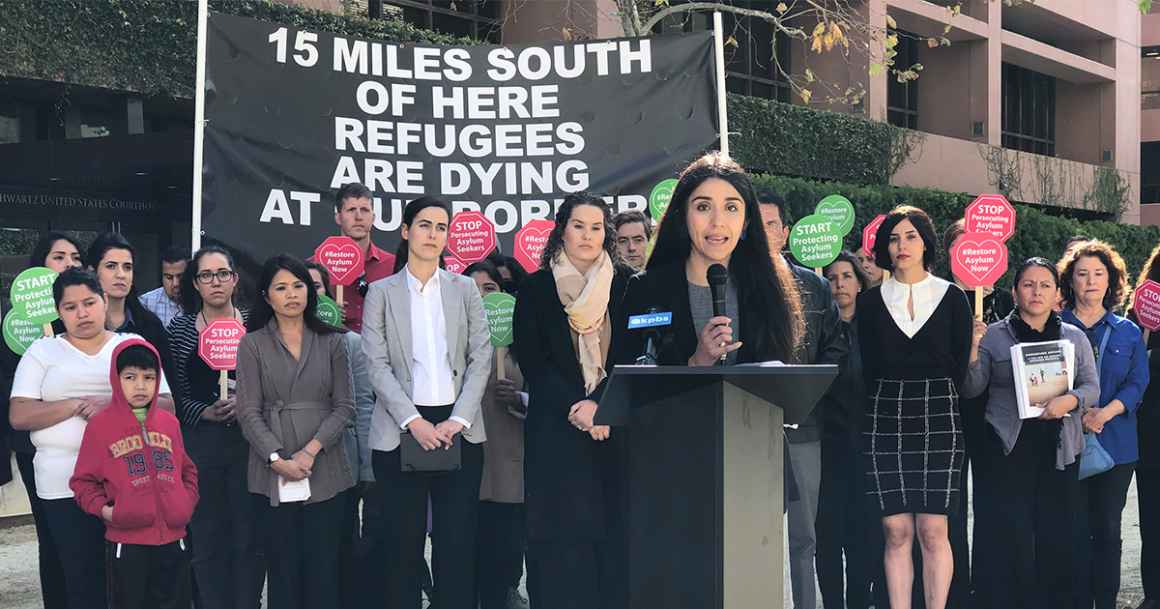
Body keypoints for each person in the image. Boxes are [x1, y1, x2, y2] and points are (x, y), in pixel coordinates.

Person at [9, 268, 175, 609]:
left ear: (104, 302)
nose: (82, 313)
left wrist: (111, 405)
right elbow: (20, 415)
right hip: (61, 482)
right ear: (58, 312)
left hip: (129, 479)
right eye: (70, 307)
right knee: (79, 575)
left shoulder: (131, 346)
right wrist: (72, 405)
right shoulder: (43, 352)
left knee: (130, 575)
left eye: (89, 302)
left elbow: (166, 405)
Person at [362, 196, 492, 609]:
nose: (433, 234)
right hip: (401, 428)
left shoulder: (465, 287)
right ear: (405, 231)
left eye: (441, 227)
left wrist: (459, 419)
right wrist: (413, 421)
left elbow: (481, 355)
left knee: (457, 545)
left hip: (459, 427)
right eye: (424, 225)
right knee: (402, 547)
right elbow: (375, 364)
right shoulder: (380, 293)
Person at [512, 193, 633, 609]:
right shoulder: (535, 288)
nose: (587, 235)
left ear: (607, 234)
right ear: (562, 229)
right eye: (578, 225)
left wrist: (602, 403)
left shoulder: (627, 285)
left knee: (611, 540)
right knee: (558, 543)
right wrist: (578, 406)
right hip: (555, 434)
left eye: (596, 227)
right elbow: (533, 360)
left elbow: (634, 354)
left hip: (612, 432)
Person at [961, 257, 1100, 609]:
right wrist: (972, 349)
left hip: (1060, 449)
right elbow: (972, 389)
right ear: (1014, 291)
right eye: (1028, 284)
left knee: (1056, 535)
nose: (1036, 292)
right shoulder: (993, 336)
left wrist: (1069, 400)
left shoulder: (1074, 338)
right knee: (1012, 536)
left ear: (1057, 296)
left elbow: (1091, 388)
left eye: (1045, 285)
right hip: (1009, 450)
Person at [857, 205, 971, 609]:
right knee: (896, 531)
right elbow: (866, 366)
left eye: (910, 236)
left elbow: (959, 366)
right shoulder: (868, 304)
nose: (901, 245)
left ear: (926, 243)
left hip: (939, 415)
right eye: (893, 237)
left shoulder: (953, 296)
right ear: (884, 248)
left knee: (933, 531)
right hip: (884, 417)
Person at [235, 254, 355, 609]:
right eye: (281, 287)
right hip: (273, 470)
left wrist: (310, 451)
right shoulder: (252, 343)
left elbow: (345, 406)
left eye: (299, 286)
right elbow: (247, 411)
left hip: (326, 467)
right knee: (283, 569)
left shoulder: (333, 341)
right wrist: (277, 458)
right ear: (267, 296)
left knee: (324, 569)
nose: (291, 295)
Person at [757, 191, 847, 609]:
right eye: (754, 225)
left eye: (771, 224)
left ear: (785, 231)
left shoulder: (814, 286)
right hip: (748, 428)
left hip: (804, 427)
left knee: (804, 535)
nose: (763, 233)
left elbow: (834, 351)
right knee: (754, 532)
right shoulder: (731, 283)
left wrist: (807, 394)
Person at [166, 245, 264, 609]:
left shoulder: (255, 323)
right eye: (206, 275)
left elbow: (270, 379)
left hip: (249, 444)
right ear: (196, 283)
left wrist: (247, 405)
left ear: (235, 279)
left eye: (222, 273)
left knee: (248, 536)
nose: (215, 282)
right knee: (207, 537)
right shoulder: (179, 329)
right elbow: (174, 391)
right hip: (201, 446)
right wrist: (203, 412)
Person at [69, 339, 199, 609]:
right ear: (116, 380)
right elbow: (82, 482)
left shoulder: (169, 423)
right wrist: (107, 512)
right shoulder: (101, 426)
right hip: (127, 544)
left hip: (175, 540)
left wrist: (184, 504)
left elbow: (187, 470)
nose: (140, 386)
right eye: (130, 377)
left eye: (149, 378)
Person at [1057, 240, 1148, 609]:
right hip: (1067, 441)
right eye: (1082, 274)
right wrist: (1078, 411)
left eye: (1099, 274)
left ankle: (1105, 600)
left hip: (1117, 443)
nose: (1091, 281)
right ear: (1071, 281)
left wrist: (1104, 413)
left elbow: (1137, 382)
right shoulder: (1056, 326)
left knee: (1109, 529)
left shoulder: (1127, 331)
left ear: (1111, 281)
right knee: (1072, 527)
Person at [2, 231, 83, 609]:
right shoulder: (15, 328)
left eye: (76, 257)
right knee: (53, 536)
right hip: (38, 447)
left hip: (88, 445)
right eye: (59, 257)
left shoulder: (86, 319)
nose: (69, 263)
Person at [305, 259, 378, 609]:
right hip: (296, 466)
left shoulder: (351, 344)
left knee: (341, 545)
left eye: (316, 286)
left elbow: (363, 406)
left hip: (343, 462)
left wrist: (365, 466)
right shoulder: (277, 341)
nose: (308, 293)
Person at [466, 260, 531, 609]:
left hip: (511, 465)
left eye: (489, 289)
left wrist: (520, 398)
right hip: (466, 466)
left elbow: (550, 397)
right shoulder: (451, 342)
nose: (481, 297)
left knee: (505, 549)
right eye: (473, 289)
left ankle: (505, 592)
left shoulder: (524, 342)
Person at [816, 251, 875, 609]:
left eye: (847, 276)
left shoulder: (874, 329)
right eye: (833, 277)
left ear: (859, 281)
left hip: (867, 445)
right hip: (826, 444)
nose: (840, 284)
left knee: (862, 535)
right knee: (827, 536)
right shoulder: (818, 330)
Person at [86, 232, 173, 376]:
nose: (121, 274)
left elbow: (171, 391)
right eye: (111, 266)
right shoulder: (80, 324)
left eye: (127, 267)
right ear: (92, 271)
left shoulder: (151, 327)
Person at [1131, 243, 1160, 609]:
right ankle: (1154, 592)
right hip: (1151, 431)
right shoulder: (1144, 312)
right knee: (1152, 515)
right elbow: (1134, 369)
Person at [330, 182, 396, 332]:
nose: (358, 217)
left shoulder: (393, 265)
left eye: (365, 210)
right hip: (332, 350)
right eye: (351, 210)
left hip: (380, 350)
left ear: (373, 218)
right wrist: (324, 310)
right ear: (338, 218)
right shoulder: (318, 265)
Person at [139, 245, 189, 328]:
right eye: (169, 277)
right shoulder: (145, 303)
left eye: (180, 277)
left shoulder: (201, 302)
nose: (175, 284)